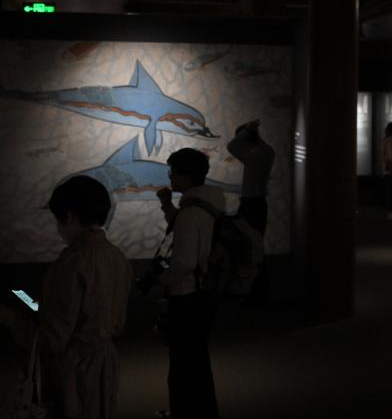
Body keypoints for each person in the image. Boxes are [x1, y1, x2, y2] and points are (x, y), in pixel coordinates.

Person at [0, 176, 132, 419]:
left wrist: (11, 318)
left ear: (69, 217)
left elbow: (53, 339)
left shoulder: (72, 262)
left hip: (73, 374)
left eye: (57, 220)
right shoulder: (116, 257)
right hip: (104, 367)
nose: (58, 228)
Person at [156, 147, 225, 419]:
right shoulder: (208, 204)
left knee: (183, 366)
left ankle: (184, 412)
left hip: (186, 297)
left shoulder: (190, 213)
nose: (170, 177)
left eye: (172, 172)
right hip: (205, 292)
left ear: (185, 177)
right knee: (197, 362)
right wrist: (166, 204)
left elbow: (184, 263)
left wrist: (160, 279)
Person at [226, 119, 275, 235]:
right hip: (258, 202)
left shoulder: (253, 156)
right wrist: (251, 132)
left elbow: (231, 146)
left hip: (251, 204)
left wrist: (248, 129)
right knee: (256, 237)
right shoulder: (265, 152)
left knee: (246, 238)